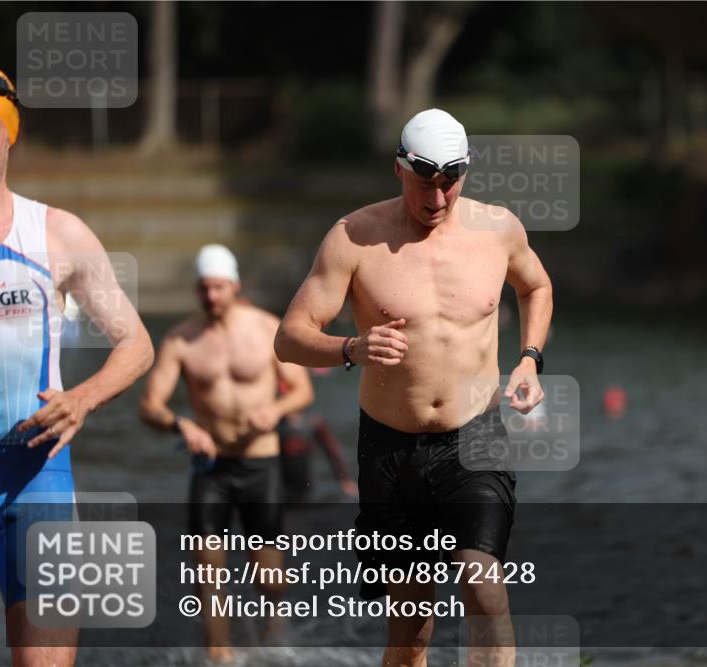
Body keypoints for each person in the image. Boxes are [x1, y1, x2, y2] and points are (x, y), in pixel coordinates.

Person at [275, 108, 553, 667]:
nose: (439, 200)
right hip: (390, 448)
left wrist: (528, 360)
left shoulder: (497, 228)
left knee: (483, 585)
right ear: (399, 169)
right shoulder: (354, 237)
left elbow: (537, 285)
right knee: (411, 630)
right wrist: (351, 348)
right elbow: (289, 339)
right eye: (427, 185)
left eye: (451, 184)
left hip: (474, 438)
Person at [0, 65, 154, 667]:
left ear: (9, 135)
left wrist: (81, 399)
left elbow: (135, 343)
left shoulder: (57, 234)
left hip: (37, 475)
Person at [139, 244, 314, 663]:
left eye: (218, 287)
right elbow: (150, 405)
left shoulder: (267, 329)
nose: (211, 296)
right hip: (211, 466)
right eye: (203, 288)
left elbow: (303, 391)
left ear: (234, 285)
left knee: (270, 577)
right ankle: (220, 654)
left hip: (260, 462)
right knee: (207, 570)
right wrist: (180, 423)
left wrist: (275, 408)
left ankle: (273, 639)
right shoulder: (182, 339)